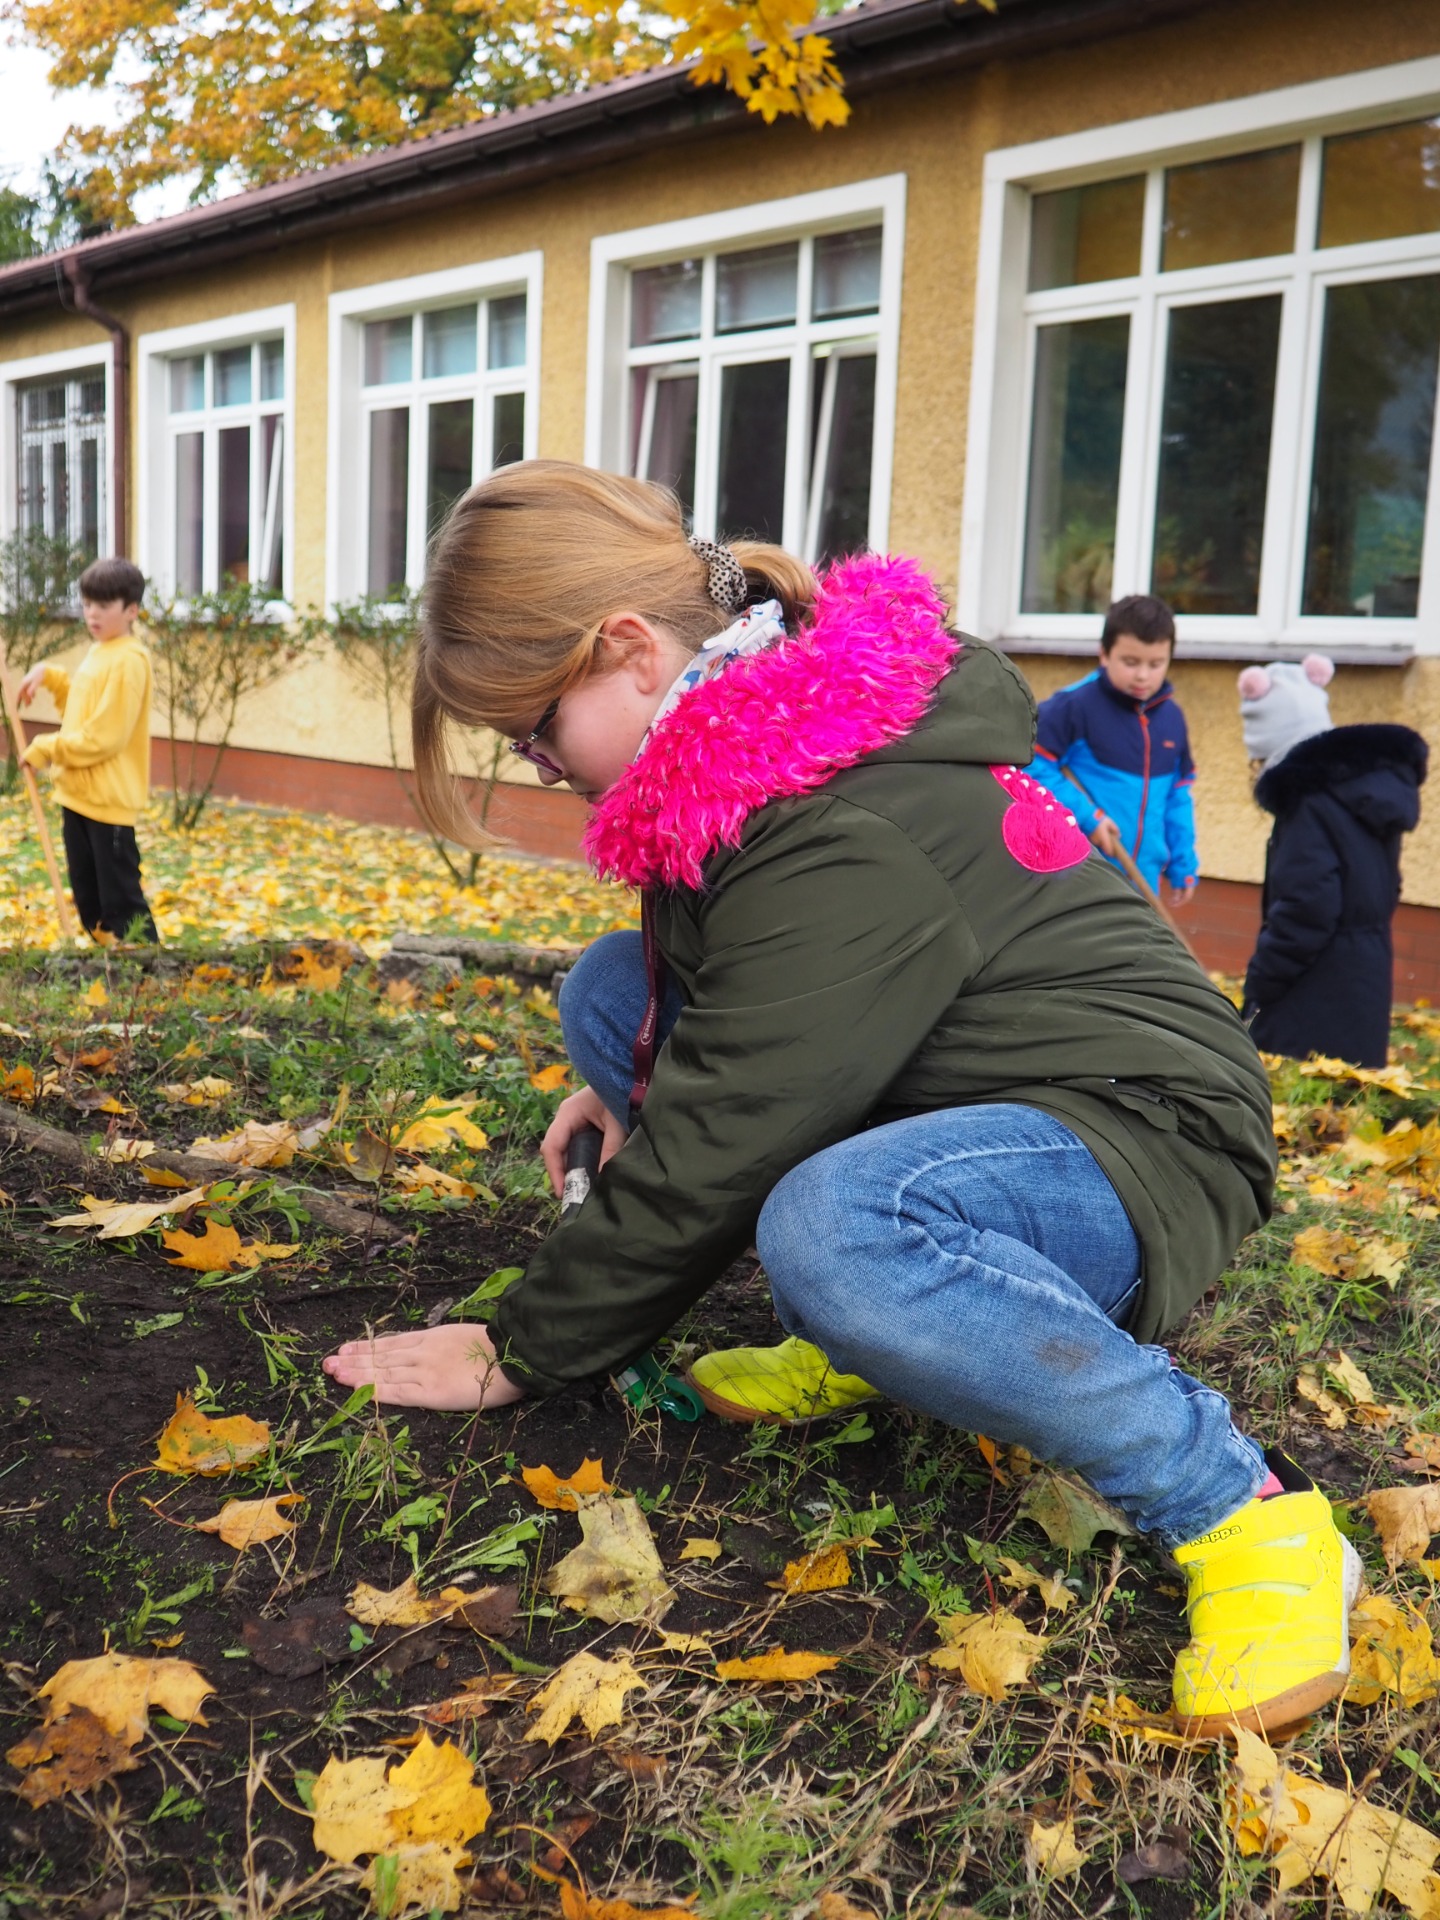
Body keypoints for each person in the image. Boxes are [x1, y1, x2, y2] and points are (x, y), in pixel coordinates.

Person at [325, 461, 1359, 1737]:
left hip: (1138, 1131)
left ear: (632, 651)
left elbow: (728, 1132)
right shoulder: (763, 730)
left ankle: (1243, 1515)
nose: (539, 768)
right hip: (994, 1081)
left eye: (535, 732)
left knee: (834, 1228)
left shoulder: (828, 818)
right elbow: (722, 1011)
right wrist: (636, 1076)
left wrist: (521, 1347)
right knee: (609, 995)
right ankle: (877, 1334)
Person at [1239, 655, 1427, 1070]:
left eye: (1258, 762)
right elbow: (1387, 886)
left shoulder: (1308, 806)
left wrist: (1260, 985)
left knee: (1306, 1114)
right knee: (1348, 1106)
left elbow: (1305, 912)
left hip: (1312, 995)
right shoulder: (1363, 796)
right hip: (1364, 976)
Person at [17, 557, 158, 944]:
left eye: (103, 605)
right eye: (86, 604)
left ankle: (151, 978)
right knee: (90, 900)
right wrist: (52, 677)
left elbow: (104, 737)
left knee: (122, 903)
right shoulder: (101, 650)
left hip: (107, 802)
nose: (92, 613)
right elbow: (80, 716)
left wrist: (46, 746)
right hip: (78, 797)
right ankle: (110, 971)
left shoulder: (129, 660)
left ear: (131, 610)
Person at [1027, 594, 1198, 902]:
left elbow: (1178, 795)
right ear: (1104, 653)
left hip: (1143, 880)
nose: (1143, 675)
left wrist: (1182, 862)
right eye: (1130, 662)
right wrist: (1086, 817)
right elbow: (1030, 767)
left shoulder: (1173, 719)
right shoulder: (1072, 706)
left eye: (1156, 663)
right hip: (1080, 875)